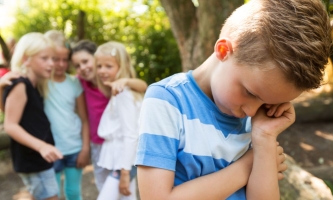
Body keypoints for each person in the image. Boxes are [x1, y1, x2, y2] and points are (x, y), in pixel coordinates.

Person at [135, 0, 332, 199]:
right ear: (223, 51)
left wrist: (264, 139)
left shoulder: (256, 121)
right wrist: (247, 165)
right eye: (251, 93)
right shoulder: (167, 101)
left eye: (267, 104)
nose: (253, 112)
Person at [71, 40, 147, 191]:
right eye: (77, 65)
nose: (83, 68)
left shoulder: (120, 89)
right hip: (104, 148)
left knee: (114, 192)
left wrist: (126, 81)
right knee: (119, 192)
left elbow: (142, 87)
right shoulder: (86, 83)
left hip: (121, 151)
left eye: (86, 61)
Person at [2, 32, 63, 200]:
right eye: (45, 58)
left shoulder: (35, 85)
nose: (51, 64)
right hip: (33, 158)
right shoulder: (20, 85)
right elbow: (10, 125)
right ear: (26, 59)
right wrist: (41, 146)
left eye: (53, 58)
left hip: (38, 159)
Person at [43, 30, 90, 200]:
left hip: (74, 148)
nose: (61, 64)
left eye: (65, 59)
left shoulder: (74, 83)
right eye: (56, 59)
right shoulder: (41, 83)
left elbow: (84, 119)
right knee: (51, 194)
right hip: (50, 150)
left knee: (73, 192)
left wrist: (85, 148)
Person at [94, 41, 141, 200]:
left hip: (124, 163)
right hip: (123, 161)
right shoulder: (121, 92)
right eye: (99, 66)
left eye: (108, 66)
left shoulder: (123, 94)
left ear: (122, 66)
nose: (102, 71)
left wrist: (125, 173)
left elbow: (130, 134)